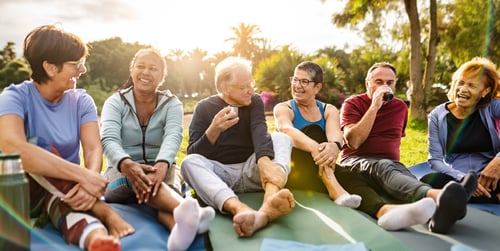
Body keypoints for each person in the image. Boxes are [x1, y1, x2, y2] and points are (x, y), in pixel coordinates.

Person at [0, 24, 134, 251]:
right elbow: (13, 148)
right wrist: (83, 175)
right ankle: (105, 212)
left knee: (70, 208)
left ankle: (97, 240)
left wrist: (89, 182)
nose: (83, 70)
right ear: (50, 68)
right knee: (38, 147)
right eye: (76, 64)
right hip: (18, 193)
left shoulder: (82, 101)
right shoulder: (13, 97)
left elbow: (93, 149)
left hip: (62, 192)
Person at [337, 62, 475, 234]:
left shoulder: (401, 107)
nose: (385, 86)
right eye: (378, 82)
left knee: (404, 178)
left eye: (390, 82)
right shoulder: (353, 103)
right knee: (386, 168)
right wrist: (375, 106)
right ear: (367, 84)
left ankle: (439, 218)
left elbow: (395, 141)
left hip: (391, 166)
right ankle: (439, 196)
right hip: (354, 163)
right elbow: (354, 141)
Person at [100, 48, 215, 251]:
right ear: (132, 69)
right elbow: (109, 138)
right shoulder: (115, 102)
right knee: (156, 189)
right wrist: (127, 165)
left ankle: (179, 234)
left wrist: (162, 165)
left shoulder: (172, 104)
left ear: (162, 76)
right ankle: (187, 210)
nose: (146, 72)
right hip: (120, 172)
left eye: (153, 68)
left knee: (164, 190)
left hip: (161, 167)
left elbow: (173, 136)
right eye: (140, 66)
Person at [181, 56, 295, 238]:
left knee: (281, 138)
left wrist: (264, 161)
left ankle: (269, 202)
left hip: (253, 171)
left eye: (252, 84)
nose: (250, 90)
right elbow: (193, 153)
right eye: (243, 87)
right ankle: (239, 209)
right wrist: (214, 130)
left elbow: (260, 131)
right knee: (189, 163)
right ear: (226, 88)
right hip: (221, 175)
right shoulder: (204, 108)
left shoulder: (254, 101)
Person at [273, 61, 361, 208]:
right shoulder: (283, 108)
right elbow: (285, 129)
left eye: (304, 81)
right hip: (293, 172)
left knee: (356, 177)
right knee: (313, 131)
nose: (297, 85)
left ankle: (382, 209)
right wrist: (315, 148)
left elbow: (335, 137)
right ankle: (333, 187)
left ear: (317, 87)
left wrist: (334, 146)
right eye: (295, 79)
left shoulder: (328, 110)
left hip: (316, 170)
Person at [424, 57, 500, 204]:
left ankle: (474, 196)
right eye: (461, 82)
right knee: (429, 182)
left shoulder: (492, 107)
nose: (463, 89)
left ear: (485, 91)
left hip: (491, 176)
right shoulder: (437, 116)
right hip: (458, 178)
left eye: (472, 85)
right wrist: (463, 178)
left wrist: (498, 161)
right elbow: (435, 160)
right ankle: (491, 197)